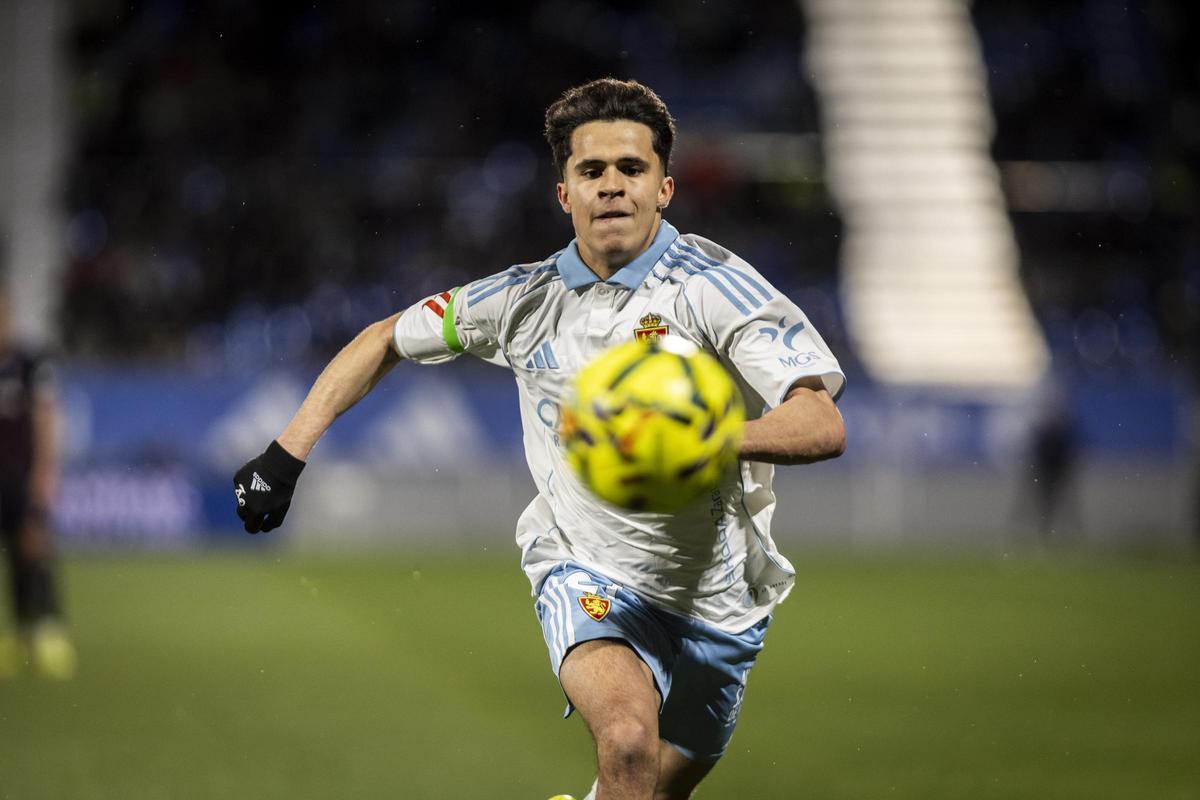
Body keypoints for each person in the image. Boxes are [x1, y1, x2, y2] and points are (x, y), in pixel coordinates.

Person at [234, 78, 846, 800]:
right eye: (591, 171)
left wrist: (707, 442)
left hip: (718, 597)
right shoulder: (521, 300)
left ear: (665, 188)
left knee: (656, 785)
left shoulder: (715, 287)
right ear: (565, 194)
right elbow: (385, 338)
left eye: (631, 169)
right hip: (583, 570)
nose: (612, 186)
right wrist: (287, 451)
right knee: (625, 744)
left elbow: (822, 421)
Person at [0, 287, 76, 680]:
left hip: (22, 476)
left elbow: (45, 419)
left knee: (35, 547)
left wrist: (44, 472)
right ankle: (18, 633)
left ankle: (50, 628)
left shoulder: (29, 363)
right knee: (13, 556)